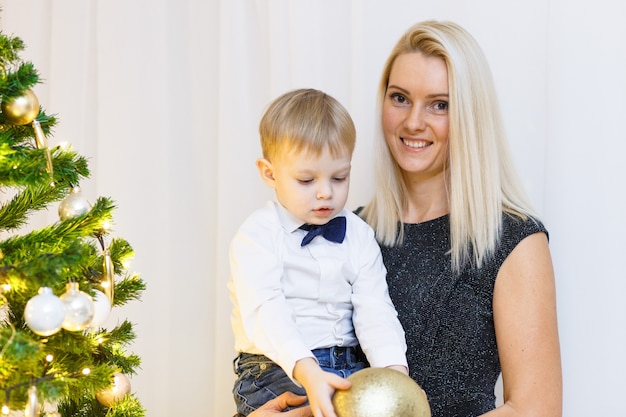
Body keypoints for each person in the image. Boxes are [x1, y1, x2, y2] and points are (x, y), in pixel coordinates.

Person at [249, 20, 562, 417]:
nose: (413, 122)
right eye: (400, 98)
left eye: (439, 104)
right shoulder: (346, 232)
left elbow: (537, 409)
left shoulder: (514, 241)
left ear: (470, 114)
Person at [229, 88, 408, 417]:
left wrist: (394, 372)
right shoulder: (257, 236)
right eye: (306, 180)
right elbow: (267, 312)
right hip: (276, 369)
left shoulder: (358, 234)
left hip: (350, 364)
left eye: (339, 177)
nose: (325, 192)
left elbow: (375, 309)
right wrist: (309, 372)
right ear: (269, 173)